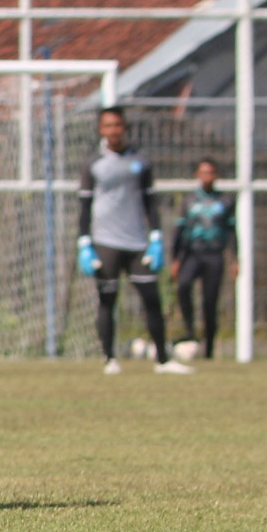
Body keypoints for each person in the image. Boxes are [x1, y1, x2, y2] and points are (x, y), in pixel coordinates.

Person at [75, 107, 192, 375]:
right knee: (108, 299)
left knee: (151, 298)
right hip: (104, 240)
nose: (114, 130)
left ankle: (162, 360)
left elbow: (150, 202)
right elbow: (84, 205)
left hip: (138, 241)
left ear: (125, 127)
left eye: (118, 125)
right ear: (101, 130)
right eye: (108, 126)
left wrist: (155, 237)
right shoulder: (92, 163)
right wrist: (84, 242)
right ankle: (109, 359)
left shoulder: (140, 161)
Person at [171, 156, 237, 360]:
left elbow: (232, 231)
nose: (207, 176)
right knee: (183, 286)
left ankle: (208, 350)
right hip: (192, 253)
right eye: (203, 172)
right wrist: (175, 258)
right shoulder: (189, 200)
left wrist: (235, 258)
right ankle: (190, 330)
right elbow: (180, 230)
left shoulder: (225, 200)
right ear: (197, 175)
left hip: (214, 255)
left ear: (216, 175)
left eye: (211, 172)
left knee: (210, 302)